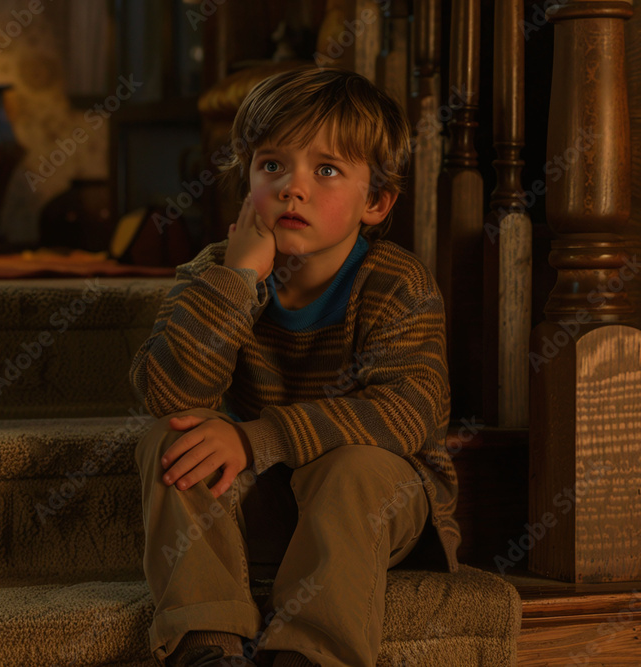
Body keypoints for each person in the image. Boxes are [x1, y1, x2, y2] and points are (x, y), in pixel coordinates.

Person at [129, 66, 460, 667]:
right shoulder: (214, 272)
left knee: (354, 467)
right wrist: (237, 281)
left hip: (371, 510)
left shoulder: (397, 284)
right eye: (272, 165)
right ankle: (206, 640)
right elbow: (167, 394)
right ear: (247, 179)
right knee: (169, 437)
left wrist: (257, 438)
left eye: (326, 170)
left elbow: (409, 414)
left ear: (375, 201)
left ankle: (311, 653)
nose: (292, 188)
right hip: (251, 504)